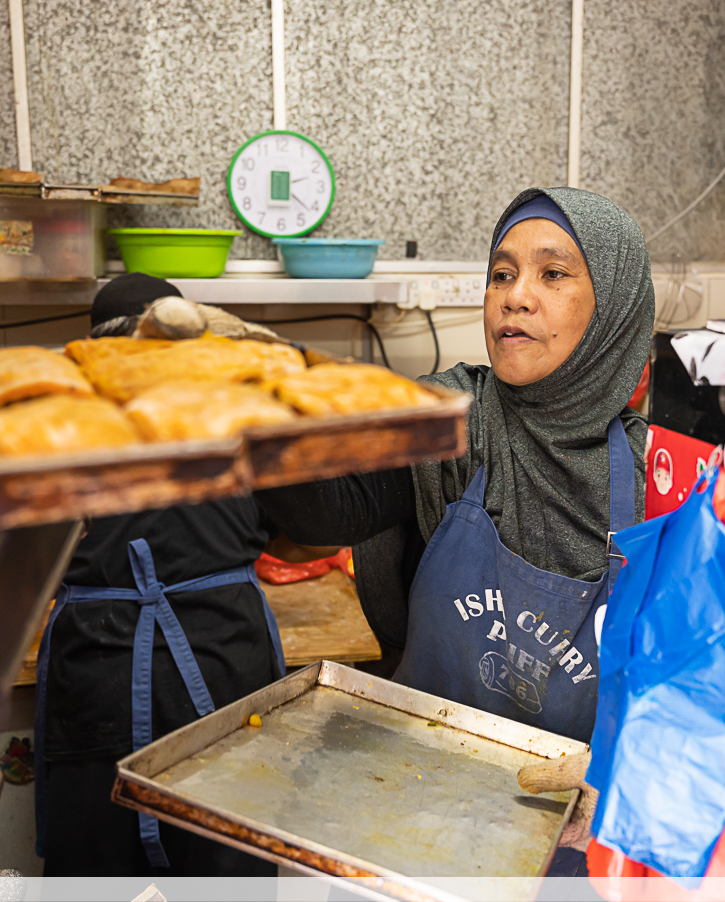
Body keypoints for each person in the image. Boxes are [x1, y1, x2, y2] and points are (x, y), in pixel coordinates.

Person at [256, 187, 653, 745]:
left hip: (573, 802)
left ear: (614, 304)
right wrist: (259, 402)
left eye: (553, 274)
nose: (516, 297)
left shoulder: (656, 472)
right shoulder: (449, 421)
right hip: (428, 774)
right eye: (502, 274)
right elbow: (331, 512)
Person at [35, 273, 285, 877]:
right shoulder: (238, 405)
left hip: (99, 665)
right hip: (223, 654)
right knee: (227, 864)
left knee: (98, 870)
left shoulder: (56, 417)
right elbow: (294, 527)